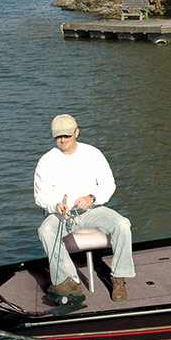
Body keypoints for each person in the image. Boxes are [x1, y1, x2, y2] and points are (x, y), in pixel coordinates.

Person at [34, 114, 135, 302]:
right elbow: (40, 196)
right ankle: (68, 279)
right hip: (61, 215)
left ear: (76, 132)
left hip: (92, 211)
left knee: (122, 224)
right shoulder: (46, 161)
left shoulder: (93, 154)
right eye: (58, 137)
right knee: (45, 230)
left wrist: (92, 198)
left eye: (67, 136)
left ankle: (119, 277)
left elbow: (108, 185)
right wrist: (55, 204)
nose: (63, 140)